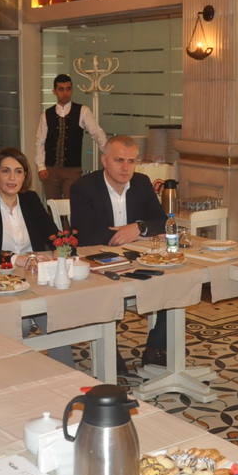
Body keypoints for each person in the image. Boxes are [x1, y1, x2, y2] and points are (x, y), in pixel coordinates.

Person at [0, 147, 73, 367]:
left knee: (57, 317)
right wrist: (18, 259)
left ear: (25, 176)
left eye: (18, 171)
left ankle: (68, 376)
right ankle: (16, 372)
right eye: (5, 171)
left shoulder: (30, 200)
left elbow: (53, 234)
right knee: (21, 326)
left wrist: (59, 249)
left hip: (34, 280)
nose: (12, 178)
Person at [70, 135, 166, 366]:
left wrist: (138, 227)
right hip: (99, 261)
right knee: (108, 291)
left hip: (137, 259)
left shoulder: (141, 183)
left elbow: (162, 222)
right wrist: (124, 235)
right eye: (119, 160)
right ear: (104, 160)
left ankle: (155, 347)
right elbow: (84, 235)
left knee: (173, 281)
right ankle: (109, 352)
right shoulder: (83, 187)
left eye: (131, 161)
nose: (125, 167)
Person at [34, 73, 108, 201]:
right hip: (50, 169)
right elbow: (40, 141)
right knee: (53, 206)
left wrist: (109, 153)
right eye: (61, 89)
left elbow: (97, 133)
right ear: (54, 91)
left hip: (72, 170)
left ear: (72, 90)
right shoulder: (47, 114)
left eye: (68, 89)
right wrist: (41, 166)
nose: (65, 93)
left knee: (72, 204)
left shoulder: (82, 111)